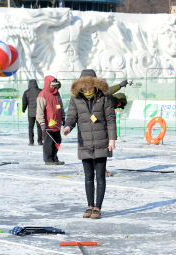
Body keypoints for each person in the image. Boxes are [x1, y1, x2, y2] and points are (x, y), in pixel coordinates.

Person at [62, 69, 117, 219]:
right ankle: (89, 205)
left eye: (90, 87)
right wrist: (67, 127)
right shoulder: (75, 98)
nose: (87, 90)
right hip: (85, 142)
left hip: (101, 141)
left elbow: (111, 119)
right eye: (84, 88)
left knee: (100, 176)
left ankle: (98, 207)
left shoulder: (104, 97)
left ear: (95, 85)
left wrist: (112, 140)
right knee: (87, 177)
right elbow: (71, 116)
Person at [36, 76, 65, 165]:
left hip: (56, 124)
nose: (54, 87)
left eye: (55, 85)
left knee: (58, 141)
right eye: (52, 85)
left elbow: (60, 106)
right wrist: (42, 123)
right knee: (49, 143)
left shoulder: (57, 94)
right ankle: (48, 159)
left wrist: (63, 117)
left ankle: (54, 157)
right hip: (48, 125)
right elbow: (39, 111)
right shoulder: (42, 95)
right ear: (48, 84)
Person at [22, 79, 43, 146]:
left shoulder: (26, 92)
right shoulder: (40, 91)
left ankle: (31, 142)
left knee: (31, 127)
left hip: (30, 113)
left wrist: (23, 109)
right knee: (39, 127)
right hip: (39, 112)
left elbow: (24, 102)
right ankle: (40, 141)